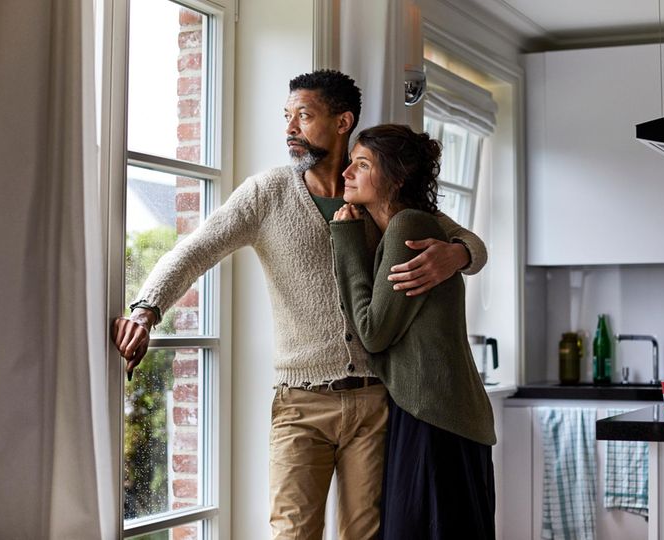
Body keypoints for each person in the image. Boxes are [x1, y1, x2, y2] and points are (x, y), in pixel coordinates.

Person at [111, 70, 487, 540]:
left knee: (363, 536)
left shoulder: (373, 189)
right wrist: (146, 309)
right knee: (293, 533)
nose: (290, 128)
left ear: (342, 121)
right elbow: (194, 250)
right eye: (287, 116)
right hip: (300, 403)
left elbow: (468, 239)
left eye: (304, 116)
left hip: (375, 401)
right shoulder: (267, 194)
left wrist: (459, 254)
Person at [330, 124, 496, 539]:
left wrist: (347, 239)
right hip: (436, 411)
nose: (347, 173)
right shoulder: (409, 224)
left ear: (397, 178)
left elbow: (372, 333)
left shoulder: (408, 226)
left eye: (362, 164)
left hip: (433, 416)